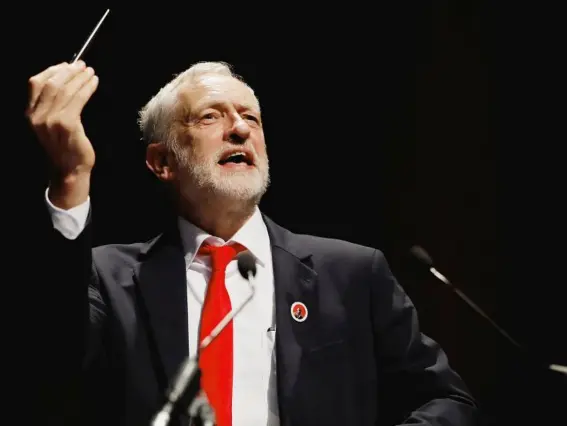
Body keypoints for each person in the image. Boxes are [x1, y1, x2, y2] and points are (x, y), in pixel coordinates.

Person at [25, 59, 478, 426]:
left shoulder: (352, 274)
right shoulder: (110, 277)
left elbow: (447, 400)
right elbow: (50, 371)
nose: (239, 130)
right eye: (210, 117)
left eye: (250, 118)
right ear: (162, 161)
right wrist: (70, 176)